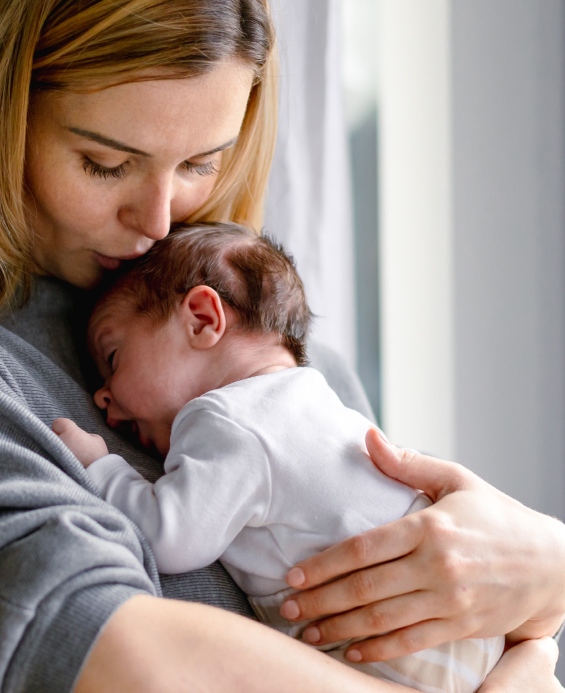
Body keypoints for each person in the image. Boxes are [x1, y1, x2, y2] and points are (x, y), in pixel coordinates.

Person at [0, 0, 565, 693]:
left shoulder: (298, 369)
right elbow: (107, 653)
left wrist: (548, 578)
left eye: (200, 164)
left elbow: (425, 639)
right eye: (105, 163)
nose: (159, 220)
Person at [52, 222, 505, 693]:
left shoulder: (230, 419)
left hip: (407, 651)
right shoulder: (312, 399)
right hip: (460, 634)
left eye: (113, 357)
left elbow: (168, 538)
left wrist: (100, 466)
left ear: (203, 319)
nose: (102, 397)